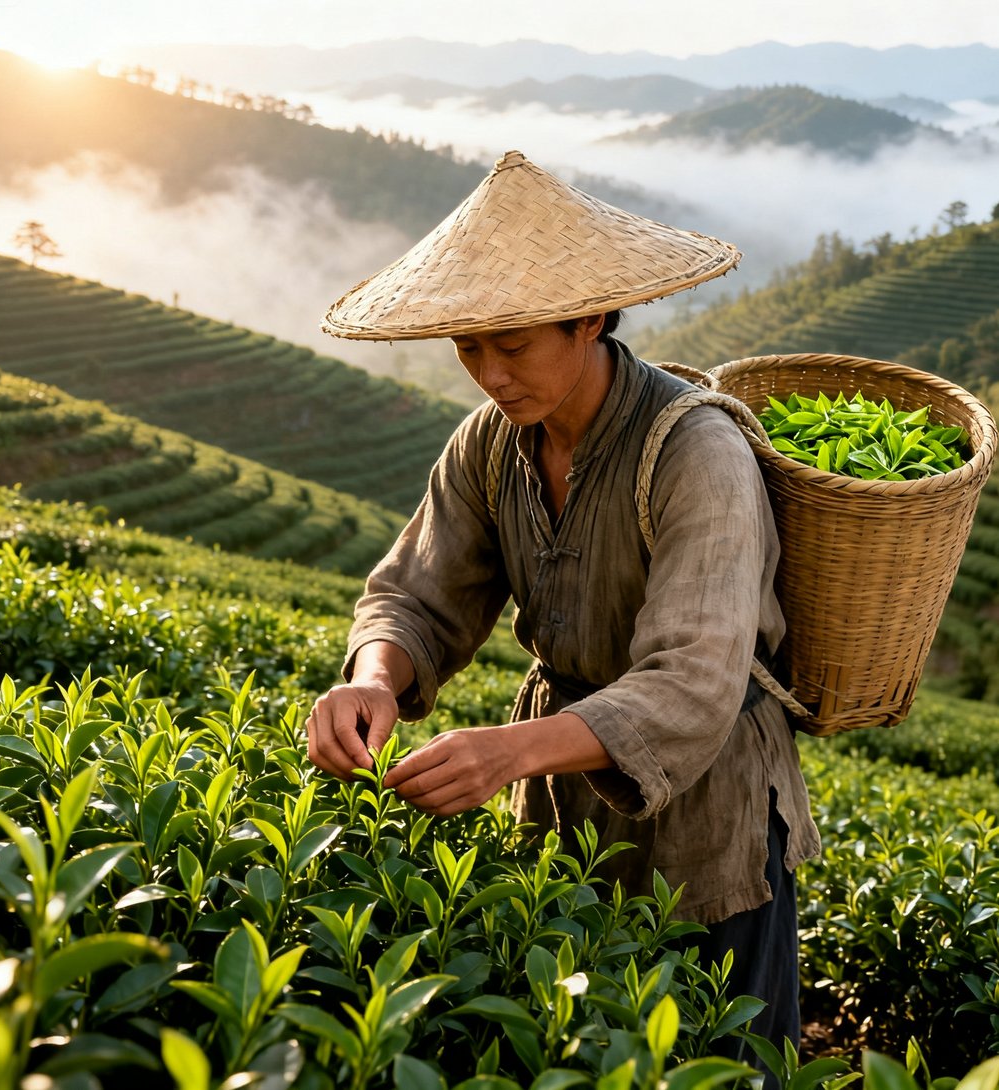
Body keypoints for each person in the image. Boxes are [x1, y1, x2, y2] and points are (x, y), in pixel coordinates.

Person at [307, 150, 821, 1051]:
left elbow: (693, 682)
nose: (490, 373)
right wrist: (375, 681)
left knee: (714, 1054)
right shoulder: (489, 444)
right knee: (564, 1044)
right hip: (557, 798)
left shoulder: (696, 453)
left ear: (589, 320)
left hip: (704, 814)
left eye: (513, 345)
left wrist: (507, 752)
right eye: (469, 347)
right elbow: (417, 592)